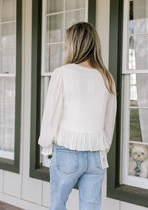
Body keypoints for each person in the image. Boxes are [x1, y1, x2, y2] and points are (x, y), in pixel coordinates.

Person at [38, 22, 117, 210]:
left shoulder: (63, 73)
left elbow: (51, 114)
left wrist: (46, 144)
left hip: (67, 151)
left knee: (57, 205)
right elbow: (109, 120)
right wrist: (103, 146)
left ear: (73, 45)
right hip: (97, 153)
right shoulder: (107, 77)